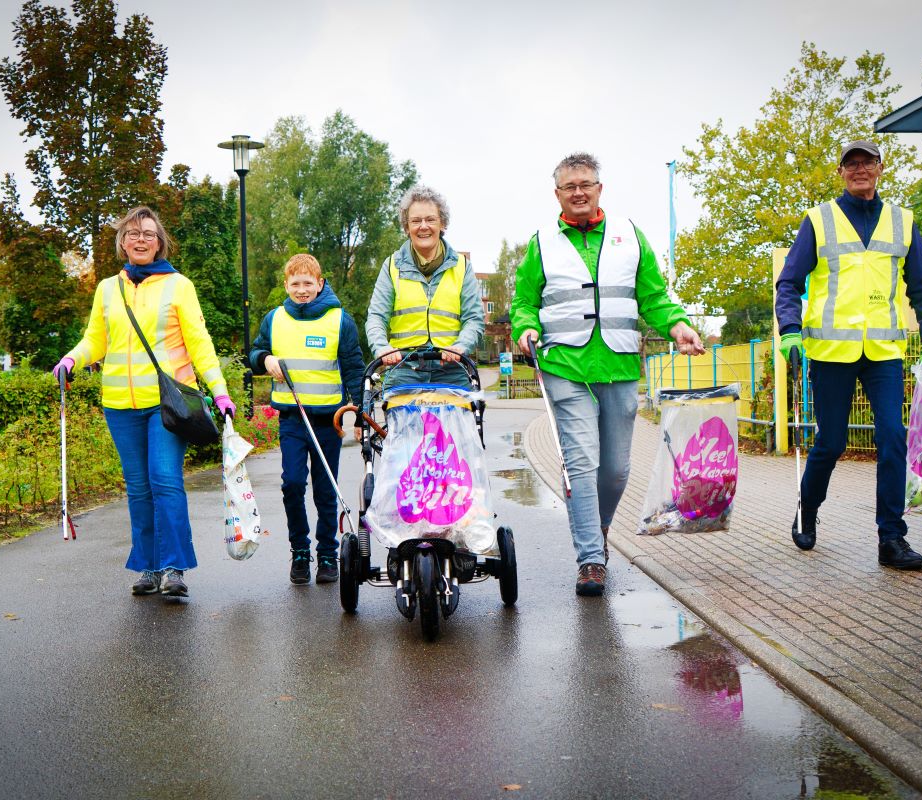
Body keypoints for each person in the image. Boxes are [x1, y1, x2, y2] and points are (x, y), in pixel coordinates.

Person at [512, 152, 705, 597]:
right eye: (569, 187)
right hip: (564, 365)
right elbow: (524, 301)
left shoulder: (629, 236)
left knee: (616, 470)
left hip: (619, 364)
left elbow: (654, 297)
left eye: (586, 184)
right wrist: (525, 327)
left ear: (600, 188)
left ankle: (596, 529)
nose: (578, 192)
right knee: (582, 463)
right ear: (556, 194)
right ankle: (590, 560)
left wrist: (678, 327)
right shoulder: (542, 242)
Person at [775, 140, 922, 571]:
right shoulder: (819, 220)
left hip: (883, 352)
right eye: (851, 164)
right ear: (841, 173)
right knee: (831, 442)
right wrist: (791, 331)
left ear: (880, 168)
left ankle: (892, 538)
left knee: (893, 436)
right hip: (832, 352)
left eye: (866, 162)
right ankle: (807, 508)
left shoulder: (903, 222)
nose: (859, 169)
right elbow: (789, 282)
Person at [52, 206, 234, 598]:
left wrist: (219, 389)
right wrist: (71, 358)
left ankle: (173, 568)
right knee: (138, 488)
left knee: (165, 481)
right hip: (119, 404)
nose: (140, 239)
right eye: (132, 233)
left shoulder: (178, 285)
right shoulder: (107, 288)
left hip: (166, 404)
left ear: (159, 242)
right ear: (122, 242)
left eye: (148, 234)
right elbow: (95, 341)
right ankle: (148, 567)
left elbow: (199, 343)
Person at [250, 254, 365, 585]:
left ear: (320, 283)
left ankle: (327, 553)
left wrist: (358, 413)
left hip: (329, 421)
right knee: (292, 484)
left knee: (325, 490)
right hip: (292, 419)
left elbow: (354, 368)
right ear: (286, 285)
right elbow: (255, 355)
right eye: (295, 284)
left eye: (308, 283)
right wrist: (266, 358)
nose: (302, 290)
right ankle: (300, 551)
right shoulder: (274, 320)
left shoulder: (340, 321)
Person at [365, 185, 484, 391]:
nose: (423, 226)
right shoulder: (392, 266)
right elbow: (376, 316)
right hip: (404, 367)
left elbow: (474, 319)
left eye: (430, 219)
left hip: (451, 368)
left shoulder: (462, 266)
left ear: (442, 223)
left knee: (459, 418)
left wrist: (460, 346)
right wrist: (382, 348)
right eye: (416, 221)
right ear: (406, 227)